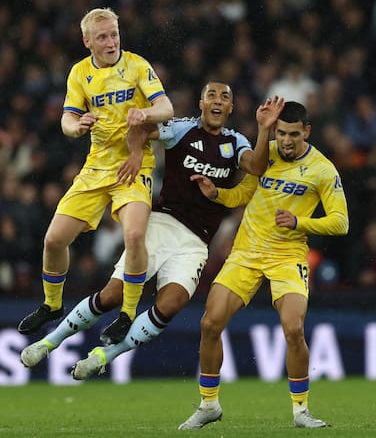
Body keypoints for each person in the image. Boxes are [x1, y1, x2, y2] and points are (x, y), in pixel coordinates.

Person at [19, 82, 284, 378]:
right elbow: (142, 131)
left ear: (231, 108)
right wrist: (135, 151)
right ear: (201, 102)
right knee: (112, 295)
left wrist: (264, 129)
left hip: (197, 241)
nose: (218, 101)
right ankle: (49, 342)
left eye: (225, 97)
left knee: (172, 304)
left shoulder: (235, 142)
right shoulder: (182, 129)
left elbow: (257, 166)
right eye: (211, 95)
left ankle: (105, 354)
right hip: (162, 224)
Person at [178, 101, 349, 430]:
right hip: (246, 251)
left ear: (307, 133)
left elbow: (341, 223)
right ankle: (209, 404)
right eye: (281, 133)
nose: (286, 140)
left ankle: (301, 411)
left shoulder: (323, 169)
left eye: (293, 135)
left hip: (287, 256)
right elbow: (243, 193)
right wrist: (217, 194)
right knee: (210, 323)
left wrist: (300, 221)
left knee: (294, 329)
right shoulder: (265, 154)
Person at [17, 7, 174, 343]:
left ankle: (128, 313)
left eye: (114, 34)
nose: (111, 41)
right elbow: (67, 120)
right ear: (88, 41)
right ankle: (52, 304)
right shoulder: (79, 74)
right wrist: (77, 127)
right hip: (96, 165)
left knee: (133, 236)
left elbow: (166, 108)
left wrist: (144, 111)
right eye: (102, 36)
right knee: (54, 240)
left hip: (135, 163)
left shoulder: (136, 65)